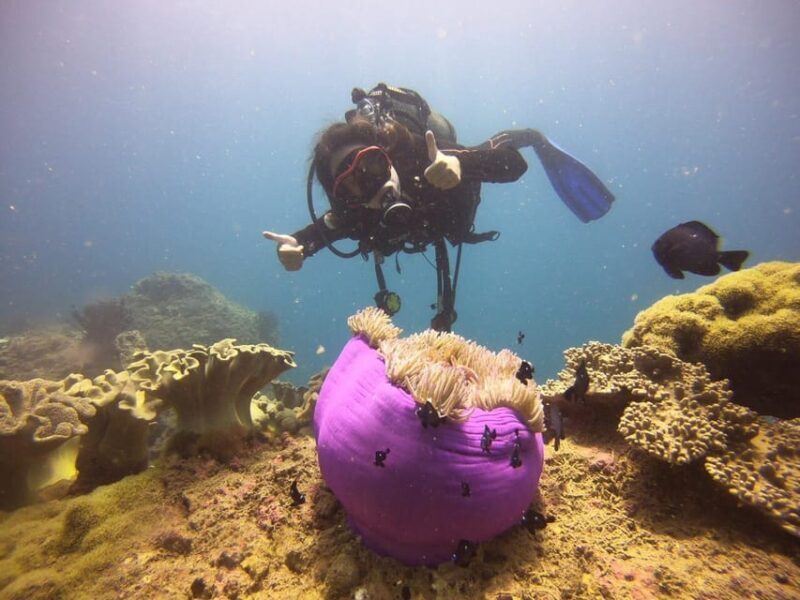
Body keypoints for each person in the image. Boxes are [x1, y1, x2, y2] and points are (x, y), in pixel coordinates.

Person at [263, 84, 614, 332]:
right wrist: (296, 248)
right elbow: (316, 234)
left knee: (484, 158)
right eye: (355, 186)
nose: (376, 187)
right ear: (346, 200)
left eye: (372, 167)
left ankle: (533, 135)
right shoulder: (355, 214)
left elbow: (514, 165)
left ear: (386, 155)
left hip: (452, 198)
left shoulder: (420, 156)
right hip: (434, 220)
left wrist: (462, 165)